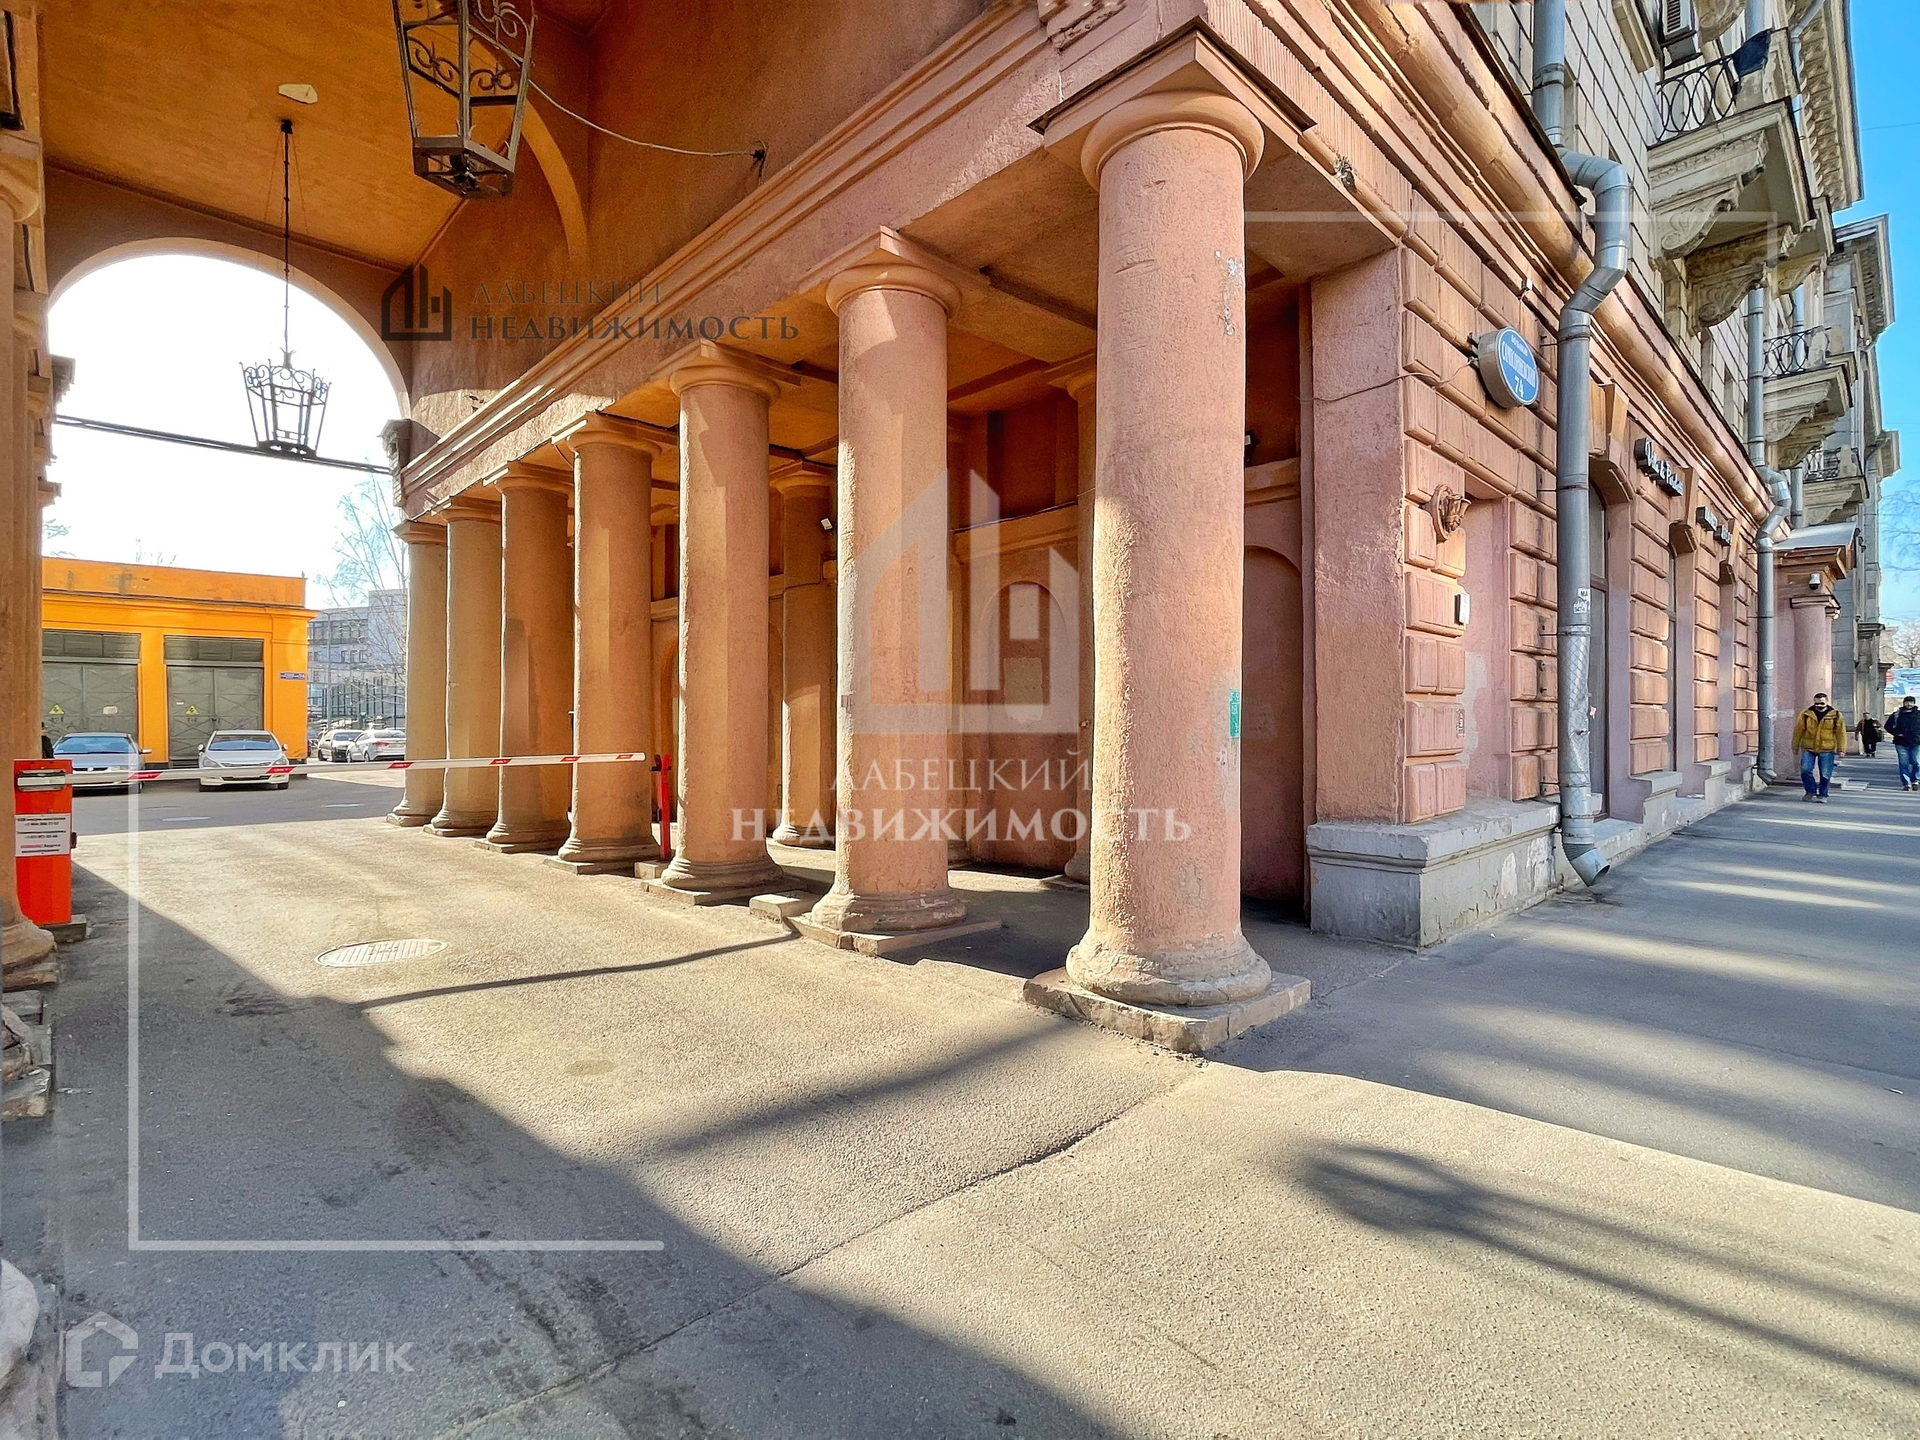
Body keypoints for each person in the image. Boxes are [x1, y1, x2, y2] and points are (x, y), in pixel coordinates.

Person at [1792, 691, 1846, 802]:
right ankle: (1810, 790)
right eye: (1816, 703)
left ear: (1827, 702)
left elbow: (1841, 733)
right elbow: (1798, 731)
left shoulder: (1835, 715)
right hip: (1808, 747)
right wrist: (1795, 746)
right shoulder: (1806, 714)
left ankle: (1823, 795)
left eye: (1822, 703)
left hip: (1827, 748)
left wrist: (1842, 749)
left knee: (1825, 773)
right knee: (1805, 770)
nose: (1819, 706)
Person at [1887, 696, 1920, 792]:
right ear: (1904, 703)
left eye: (1911, 702)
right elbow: (1887, 726)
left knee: (1917, 762)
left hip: (1916, 741)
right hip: (1901, 742)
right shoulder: (1897, 715)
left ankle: (1916, 781)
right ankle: (1907, 783)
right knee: (1903, 763)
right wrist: (1896, 733)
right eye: (1907, 702)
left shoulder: (1918, 714)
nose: (1909, 704)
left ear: (1914, 703)